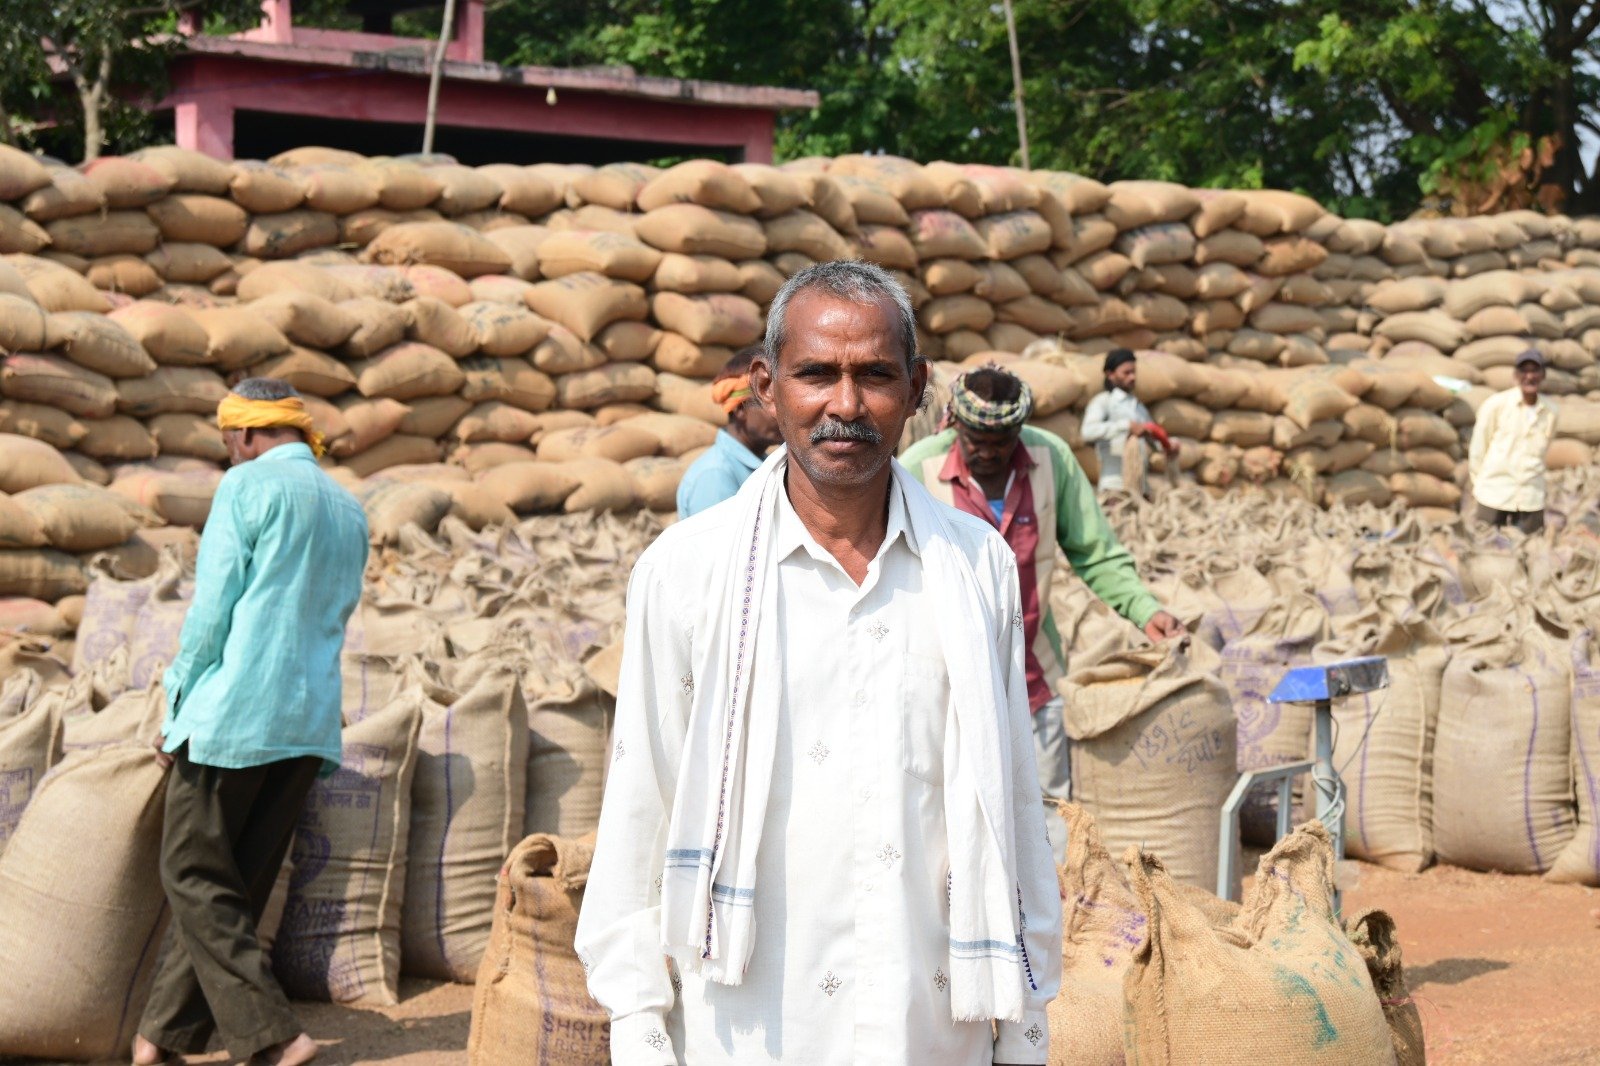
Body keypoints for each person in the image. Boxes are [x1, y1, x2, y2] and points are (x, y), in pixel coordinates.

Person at [577, 261, 1060, 1066]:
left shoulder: (975, 566)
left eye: (874, 375)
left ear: (916, 387)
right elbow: (641, 799)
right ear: (767, 386)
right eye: (815, 375)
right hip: (754, 1025)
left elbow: (1013, 798)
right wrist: (638, 1022)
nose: (845, 404)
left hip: (932, 1026)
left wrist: (1028, 1024)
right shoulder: (688, 572)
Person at [134, 378, 369, 1066]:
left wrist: (177, 700)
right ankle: (164, 1037)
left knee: (190, 871)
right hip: (307, 722)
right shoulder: (349, 506)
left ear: (246, 434)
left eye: (226, 443)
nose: (228, 456)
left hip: (236, 712)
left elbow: (213, 611)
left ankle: (274, 1036)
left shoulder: (246, 489)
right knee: (229, 885)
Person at [900, 364, 1184, 861]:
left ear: (1020, 432)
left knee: (1046, 816)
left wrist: (1144, 610)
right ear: (954, 425)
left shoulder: (1051, 460)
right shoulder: (919, 468)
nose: (988, 452)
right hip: (943, 680)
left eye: (1002, 441)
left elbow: (1094, 551)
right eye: (977, 440)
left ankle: (1053, 923)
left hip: (1032, 674)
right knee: (949, 818)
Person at [676, 345, 786, 517]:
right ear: (740, 409)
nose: (783, 415)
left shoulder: (766, 465)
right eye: (773, 404)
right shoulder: (715, 475)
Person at [1468, 347, 1556, 535]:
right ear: (1516, 375)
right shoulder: (1496, 405)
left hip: (1531, 498)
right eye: (1525, 370)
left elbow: (1545, 450)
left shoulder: (1550, 412)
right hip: (1494, 494)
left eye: (1535, 370)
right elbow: (1478, 448)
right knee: (1487, 551)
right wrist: (1481, 484)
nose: (1530, 376)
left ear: (1543, 375)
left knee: (1532, 553)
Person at [1080, 348, 1175, 493]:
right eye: (1126, 373)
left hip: (1140, 489)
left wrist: (1168, 446)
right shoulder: (1103, 402)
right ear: (1110, 374)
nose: (1132, 377)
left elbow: (1153, 440)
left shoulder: (1139, 407)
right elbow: (1088, 432)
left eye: (1134, 372)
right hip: (1114, 487)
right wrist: (1126, 426)